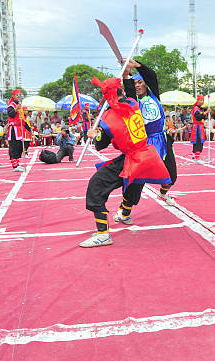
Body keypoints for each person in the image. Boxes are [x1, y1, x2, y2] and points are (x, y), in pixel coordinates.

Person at [80, 77, 171, 248]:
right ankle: (124, 214)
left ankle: (103, 234)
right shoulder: (132, 103)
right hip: (145, 153)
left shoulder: (111, 116)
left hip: (135, 158)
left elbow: (101, 145)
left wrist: (95, 134)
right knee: (132, 186)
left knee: (96, 185)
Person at [121, 58, 177, 207]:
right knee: (138, 180)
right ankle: (125, 210)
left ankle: (163, 193)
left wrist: (137, 65)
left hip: (162, 140)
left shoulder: (154, 95)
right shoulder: (133, 101)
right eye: (135, 83)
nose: (137, 85)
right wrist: (126, 74)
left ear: (145, 83)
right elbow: (128, 87)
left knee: (172, 175)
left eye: (140, 82)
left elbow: (151, 75)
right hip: (144, 143)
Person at [7, 89, 31, 171]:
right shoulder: (11, 105)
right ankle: (14, 165)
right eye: (17, 95)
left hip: (19, 128)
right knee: (14, 146)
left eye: (19, 95)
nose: (18, 97)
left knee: (20, 146)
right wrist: (17, 108)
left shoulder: (19, 105)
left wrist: (29, 129)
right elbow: (11, 114)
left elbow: (22, 119)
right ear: (13, 96)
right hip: (13, 129)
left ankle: (17, 163)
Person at [190, 95, 207, 160]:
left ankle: (195, 156)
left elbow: (202, 117)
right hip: (197, 128)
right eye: (201, 100)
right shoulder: (196, 108)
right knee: (198, 142)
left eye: (203, 100)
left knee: (198, 142)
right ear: (197, 101)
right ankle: (197, 157)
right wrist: (205, 113)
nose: (202, 102)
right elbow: (198, 117)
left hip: (199, 127)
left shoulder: (199, 108)